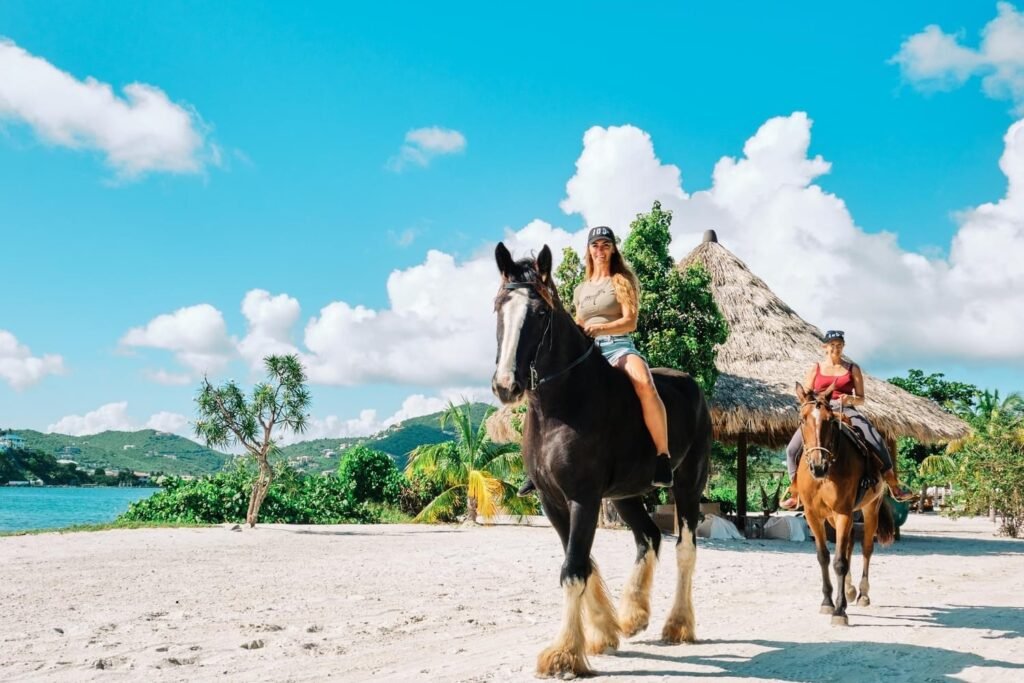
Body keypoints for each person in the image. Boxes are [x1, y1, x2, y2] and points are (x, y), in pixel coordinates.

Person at [518, 226, 674, 496]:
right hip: (587, 352)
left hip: (617, 347)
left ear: (613, 249)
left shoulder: (621, 280)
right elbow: (578, 321)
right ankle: (536, 468)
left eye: (606, 245)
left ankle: (662, 456)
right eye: (595, 246)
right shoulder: (581, 289)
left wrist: (600, 329)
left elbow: (631, 321)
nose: (600, 250)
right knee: (541, 392)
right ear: (589, 251)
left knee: (645, 385)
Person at [780, 330, 917, 510]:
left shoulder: (853, 368)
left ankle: (894, 486)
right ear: (824, 347)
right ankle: (795, 492)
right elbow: (806, 396)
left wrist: (849, 399)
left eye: (839, 345)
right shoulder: (816, 368)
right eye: (832, 345)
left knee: (875, 439)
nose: (835, 348)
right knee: (791, 449)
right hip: (821, 412)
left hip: (846, 410)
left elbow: (861, 398)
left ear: (843, 346)